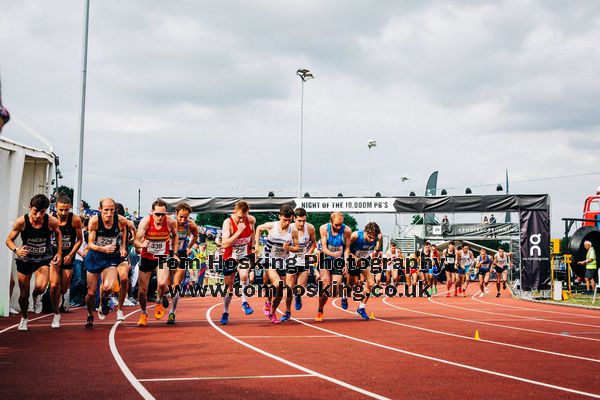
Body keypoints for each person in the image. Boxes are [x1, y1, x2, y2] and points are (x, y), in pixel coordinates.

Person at [5, 194, 62, 330]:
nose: (38, 215)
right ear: (30, 208)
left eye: (42, 212)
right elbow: (8, 240)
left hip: (43, 258)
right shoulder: (21, 222)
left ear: (46, 210)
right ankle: (24, 318)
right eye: (35, 211)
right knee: (24, 294)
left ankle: (37, 296)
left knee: (42, 286)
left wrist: (59, 252)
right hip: (26, 258)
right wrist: (16, 250)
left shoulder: (51, 221)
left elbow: (58, 233)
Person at [84, 198, 128, 328]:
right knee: (91, 293)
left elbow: (125, 230)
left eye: (112, 210)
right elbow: (90, 243)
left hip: (110, 258)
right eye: (106, 210)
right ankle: (89, 314)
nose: (109, 213)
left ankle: (104, 300)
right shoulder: (94, 221)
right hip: (95, 256)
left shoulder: (121, 221)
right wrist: (102, 248)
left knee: (108, 287)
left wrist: (123, 246)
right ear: (100, 210)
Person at [134, 199, 179, 326]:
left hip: (161, 257)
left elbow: (175, 236)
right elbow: (136, 240)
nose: (160, 217)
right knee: (142, 290)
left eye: (162, 214)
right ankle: (143, 313)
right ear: (152, 212)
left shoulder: (170, 222)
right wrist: (141, 244)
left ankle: (158, 301)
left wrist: (174, 253)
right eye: (157, 214)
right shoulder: (146, 222)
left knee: (162, 283)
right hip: (147, 257)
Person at [255, 205, 299, 323]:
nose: (287, 223)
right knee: (278, 284)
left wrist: (289, 247)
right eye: (285, 220)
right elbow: (258, 228)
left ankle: (273, 312)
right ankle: (268, 302)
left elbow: (297, 248)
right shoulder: (271, 226)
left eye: (289, 220)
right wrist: (257, 246)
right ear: (280, 216)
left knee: (281, 291)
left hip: (282, 261)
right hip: (268, 258)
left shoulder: (293, 230)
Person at [219, 201, 256, 325]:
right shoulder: (227, 223)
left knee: (244, 275)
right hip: (229, 257)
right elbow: (225, 243)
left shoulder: (251, 220)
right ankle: (225, 311)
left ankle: (244, 302)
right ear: (234, 211)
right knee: (228, 288)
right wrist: (239, 232)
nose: (242, 220)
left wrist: (252, 247)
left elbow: (253, 232)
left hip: (243, 256)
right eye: (239, 217)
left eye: (244, 217)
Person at [316, 212, 352, 322]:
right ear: (330, 222)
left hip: (339, 261)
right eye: (336, 225)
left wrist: (346, 262)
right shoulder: (323, 229)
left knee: (334, 290)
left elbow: (346, 248)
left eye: (341, 224)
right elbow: (324, 248)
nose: (339, 227)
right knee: (326, 287)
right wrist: (333, 254)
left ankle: (343, 295)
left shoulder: (347, 231)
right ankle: (320, 310)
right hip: (326, 259)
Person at [52, 194, 84, 313]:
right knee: (54, 284)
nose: (63, 212)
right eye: (61, 209)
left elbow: (80, 240)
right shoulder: (51, 218)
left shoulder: (75, 219)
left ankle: (60, 296)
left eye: (66, 210)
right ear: (56, 207)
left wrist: (71, 254)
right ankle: (54, 308)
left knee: (64, 288)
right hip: (54, 255)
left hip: (68, 256)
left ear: (70, 208)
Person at [168, 202, 199, 324]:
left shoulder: (191, 225)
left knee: (176, 285)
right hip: (168, 253)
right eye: (180, 216)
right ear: (176, 214)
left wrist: (189, 246)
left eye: (185, 217)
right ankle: (163, 295)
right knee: (166, 283)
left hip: (181, 254)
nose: (183, 219)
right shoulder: (170, 223)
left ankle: (172, 313)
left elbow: (196, 236)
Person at [348, 222, 382, 319]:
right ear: (365, 232)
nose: (371, 240)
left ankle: (361, 308)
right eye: (370, 237)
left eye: (373, 238)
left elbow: (377, 246)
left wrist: (377, 248)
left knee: (371, 283)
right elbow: (346, 248)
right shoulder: (355, 236)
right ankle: (345, 296)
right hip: (352, 258)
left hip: (365, 259)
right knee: (351, 285)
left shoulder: (378, 236)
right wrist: (354, 257)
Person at [289, 208, 316, 313]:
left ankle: (298, 297)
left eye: (303, 221)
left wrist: (309, 253)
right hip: (291, 260)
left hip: (304, 260)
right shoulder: (289, 228)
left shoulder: (310, 228)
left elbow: (314, 243)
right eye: (299, 221)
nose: (301, 223)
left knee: (300, 289)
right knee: (289, 288)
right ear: (294, 219)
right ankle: (287, 311)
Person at [115, 202, 137, 321]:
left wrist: (131, 241)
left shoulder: (127, 223)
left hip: (122, 255)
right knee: (106, 286)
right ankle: (106, 298)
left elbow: (134, 232)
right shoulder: (105, 222)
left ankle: (120, 309)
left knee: (124, 278)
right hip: (108, 255)